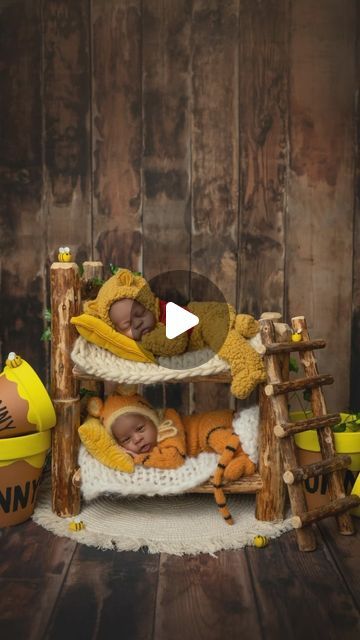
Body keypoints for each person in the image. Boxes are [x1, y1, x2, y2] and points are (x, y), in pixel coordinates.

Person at [82, 268, 266, 399]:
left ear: (148, 306)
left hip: (206, 319)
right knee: (227, 330)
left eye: (139, 314)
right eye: (127, 325)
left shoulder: (166, 314)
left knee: (223, 339)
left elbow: (176, 343)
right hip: (208, 321)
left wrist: (149, 341)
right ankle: (241, 325)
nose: (138, 323)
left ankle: (249, 367)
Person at [80, 392, 258, 525]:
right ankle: (240, 455)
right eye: (126, 439)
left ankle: (246, 458)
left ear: (152, 419)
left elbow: (173, 458)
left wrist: (138, 458)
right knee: (216, 439)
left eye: (140, 429)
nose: (137, 439)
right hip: (217, 427)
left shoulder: (167, 425)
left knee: (212, 436)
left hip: (212, 424)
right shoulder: (147, 435)